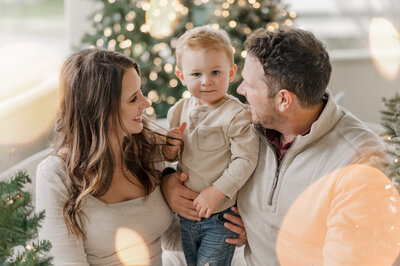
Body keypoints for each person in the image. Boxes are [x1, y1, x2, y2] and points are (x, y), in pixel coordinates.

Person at [162, 28, 400, 265]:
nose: (241, 91)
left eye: (250, 85)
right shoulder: (251, 126)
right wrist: (168, 181)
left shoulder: (360, 165)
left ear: (284, 100)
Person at [35, 48, 247, 265]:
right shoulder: (56, 175)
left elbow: (170, 236)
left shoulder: (148, 148)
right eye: (133, 98)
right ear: (101, 110)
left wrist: (224, 232)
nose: (146, 104)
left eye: (141, 92)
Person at [162, 25, 259, 266]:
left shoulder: (236, 115)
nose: (207, 81)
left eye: (215, 72)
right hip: (187, 216)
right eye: (196, 75)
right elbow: (169, 158)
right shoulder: (178, 111)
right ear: (181, 76)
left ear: (231, 72)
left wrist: (217, 191)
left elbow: (245, 160)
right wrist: (170, 149)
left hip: (220, 216)